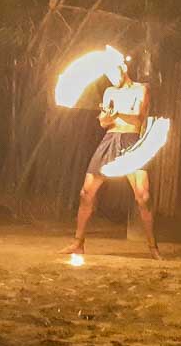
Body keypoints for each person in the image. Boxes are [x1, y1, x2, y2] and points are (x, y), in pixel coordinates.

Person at [64, 53, 161, 259]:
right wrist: (107, 116)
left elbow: (138, 116)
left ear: (122, 69)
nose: (111, 78)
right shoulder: (109, 92)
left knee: (143, 197)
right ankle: (78, 243)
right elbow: (103, 122)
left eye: (113, 72)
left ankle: (153, 248)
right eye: (106, 74)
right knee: (86, 193)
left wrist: (115, 113)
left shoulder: (141, 89)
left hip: (131, 141)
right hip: (109, 140)